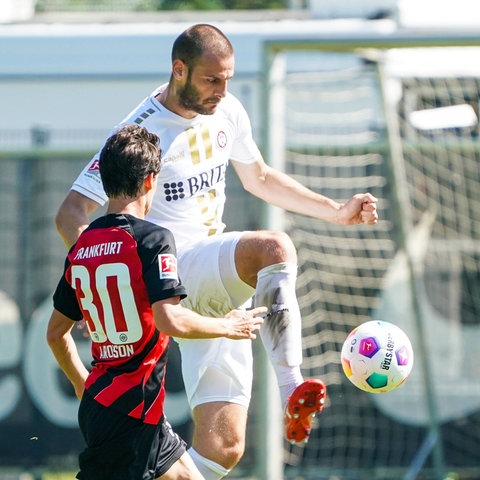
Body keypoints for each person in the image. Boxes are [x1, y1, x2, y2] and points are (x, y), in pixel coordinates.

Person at [55, 24, 379, 479]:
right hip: (172, 274)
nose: (222, 91)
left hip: (215, 294)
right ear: (179, 69)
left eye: (228, 79)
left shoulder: (227, 110)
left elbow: (260, 178)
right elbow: (70, 213)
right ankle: (292, 387)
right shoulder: (140, 133)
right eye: (212, 80)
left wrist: (337, 211)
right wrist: (113, 284)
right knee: (273, 247)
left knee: (223, 448)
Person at [47, 123, 266, 480]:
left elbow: (56, 334)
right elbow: (170, 320)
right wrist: (227, 326)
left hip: (114, 405)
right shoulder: (152, 239)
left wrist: (82, 384)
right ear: (151, 181)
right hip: (130, 410)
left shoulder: (82, 247)